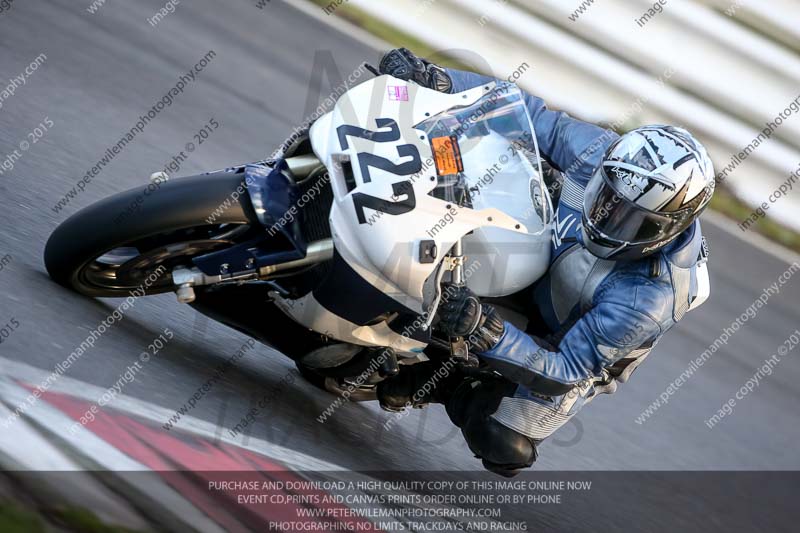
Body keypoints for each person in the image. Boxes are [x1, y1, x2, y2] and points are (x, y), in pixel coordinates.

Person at [375, 48, 715, 477]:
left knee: (505, 441)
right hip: (539, 249)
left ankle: (445, 379)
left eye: (634, 222)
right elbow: (527, 113)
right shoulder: (600, 154)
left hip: (564, 339)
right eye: (607, 198)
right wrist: (439, 80)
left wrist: (485, 332)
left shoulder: (648, 296)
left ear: (668, 229)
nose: (608, 218)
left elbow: (566, 369)